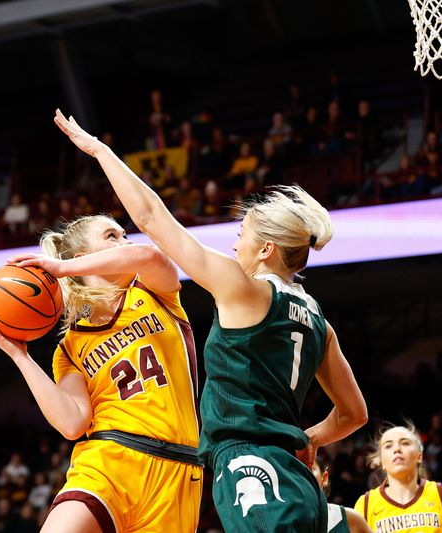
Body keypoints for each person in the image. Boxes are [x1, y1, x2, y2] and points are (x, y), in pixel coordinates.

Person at [54, 109, 368, 532]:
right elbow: (353, 413)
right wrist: (308, 438)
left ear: (266, 250)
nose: (236, 242)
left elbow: (150, 220)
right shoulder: (319, 323)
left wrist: (101, 152)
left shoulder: (245, 289)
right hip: (295, 483)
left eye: (243, 235)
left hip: (250, 468)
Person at [0, 214, 202, 533]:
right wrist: (20, 356)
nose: (125, 241)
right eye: (111, 236)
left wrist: (62, 269)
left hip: (177, 472)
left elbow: (151, 255)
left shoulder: (155, 291)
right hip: (109, 459)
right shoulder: (70, 347)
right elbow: (72, 423)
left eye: (125, 235)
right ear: (84, 259)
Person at [354, 424, 442, 533]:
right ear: (382, 461)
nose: (397, 449)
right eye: (388, 446)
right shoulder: (365, 504)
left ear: (419, 456)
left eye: (405, 443)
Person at [311, 458, 373, 533]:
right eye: (296, 471)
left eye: (310, 468)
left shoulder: (349, 518)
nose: (303, 474)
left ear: (324, 478)